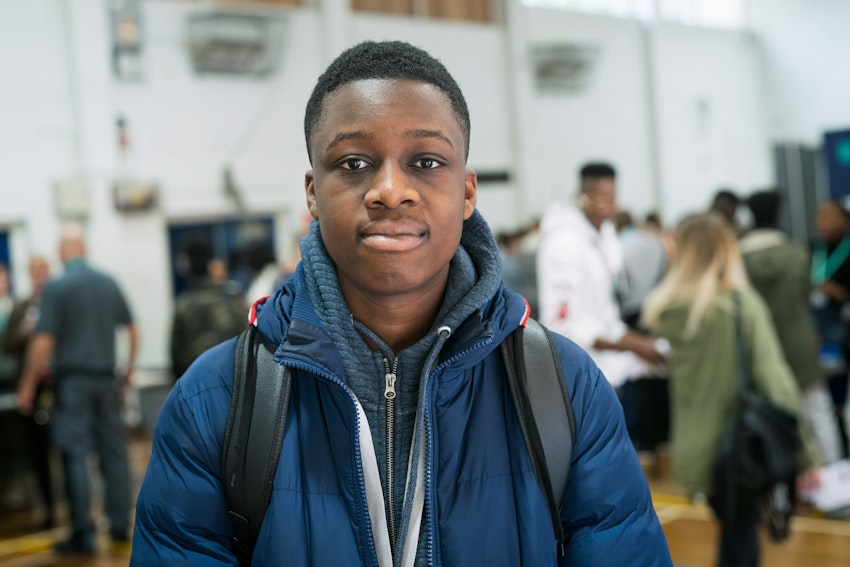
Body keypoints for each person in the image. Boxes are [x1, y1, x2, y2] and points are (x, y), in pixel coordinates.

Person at [131, 40, 672, 565]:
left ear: (467, 192)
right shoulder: (215, 401)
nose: (390, 190)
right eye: (353, 163)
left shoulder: (564, 387)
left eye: (427, 162)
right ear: (312, 192)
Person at [641, 212, 818, 567]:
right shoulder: (739, 306)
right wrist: (806, 453)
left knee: (735, 536)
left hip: (693, 451)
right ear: (727, 250)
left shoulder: (666, 312)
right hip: (742, 450)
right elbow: (776, 382)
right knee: (742, 543)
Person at [16, 224, 138, 554]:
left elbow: (43, 341)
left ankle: (82, 533)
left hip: (72, 384)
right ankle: (118, 525)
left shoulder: (57, 287)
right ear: (83, 248)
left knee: (75, 455)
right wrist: (128, 369)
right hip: (106, 379)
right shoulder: (108, 281)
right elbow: (132, 327)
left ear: (63, 250)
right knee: (114, 454)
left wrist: (27, 385)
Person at [537, 163, 668, 457]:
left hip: (611, 374)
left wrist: (639, 344)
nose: (609, 207)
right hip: (580, 377)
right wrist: (629, 344)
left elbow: (605, 314)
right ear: (583, 195)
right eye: (602, 198)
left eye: (613, 198)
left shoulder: (603, 236)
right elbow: (563, 323)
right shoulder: (563, 242)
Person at [740, 191, 845, 464]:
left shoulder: (738, 260)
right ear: (778, 215)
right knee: (819, 414)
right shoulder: (798, 254)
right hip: (800, 344)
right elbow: (805, 299)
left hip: (756, 349)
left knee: (767, 416)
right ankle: (833, 478)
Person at [3, 256, 57, 528]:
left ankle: (75, 508)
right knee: (37, 453)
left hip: (58, 387)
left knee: (67, 450)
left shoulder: (60, 300)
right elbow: (9, 345)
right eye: (33, 273)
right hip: (33, 391)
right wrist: (27, 330)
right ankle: (48, 510)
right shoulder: (22, 307)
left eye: (42, 272)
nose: (38, 278)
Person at [170, 238, 247, 380]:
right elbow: (247, 342)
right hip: (232, 383)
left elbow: (176, 356)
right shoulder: (232, 300)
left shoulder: (183, 304)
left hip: (195, 385)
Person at [810, 199, 850, 459]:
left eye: (830, 216)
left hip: (845, 333)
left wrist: (838, 292)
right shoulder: (812, 249)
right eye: (820, 216)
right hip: (818, 336)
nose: (823, 222)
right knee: (823, 406)